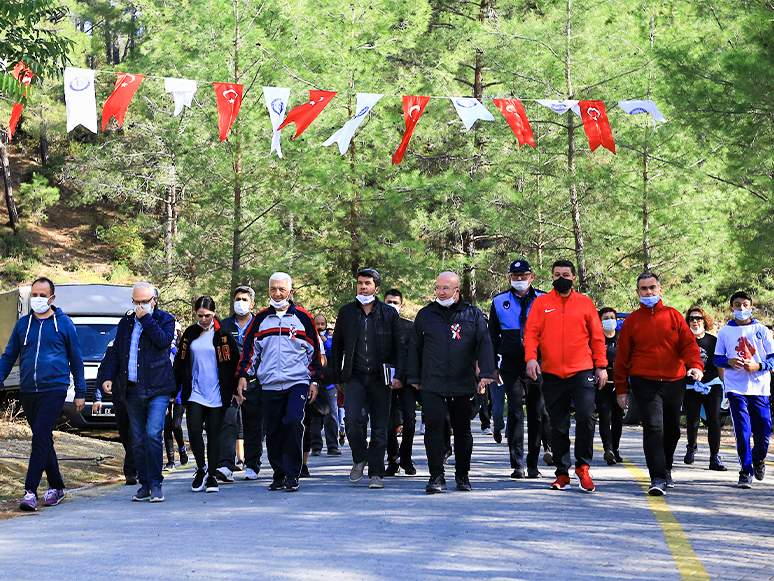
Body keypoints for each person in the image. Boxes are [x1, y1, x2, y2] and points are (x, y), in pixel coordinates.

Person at [0, 278, 85, 512]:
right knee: (43, 438)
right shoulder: (23, 324)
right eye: (34, 294)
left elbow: (76, 359)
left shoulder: (64, 324)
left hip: (54, 389)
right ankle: (57, 486)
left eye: (41, 295)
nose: (37, 299)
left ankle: (29, 491)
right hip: (28, 390)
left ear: (52, 298)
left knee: (39, 438)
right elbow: (9, 356)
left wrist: (80, 392)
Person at [614, 273, 703, 496]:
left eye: (652, 287)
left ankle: (667, 466)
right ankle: (657, 476)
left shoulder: (673, 316)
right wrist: (622, 390)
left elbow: (689, 346)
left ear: (660, 290)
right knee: (653, 427)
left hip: (674, 382)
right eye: (643, 289)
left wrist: (696, 366)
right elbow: (622, 359)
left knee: (672, 429)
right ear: (638, 293)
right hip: (645, 382)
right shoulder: (632, 321)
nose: (648, 292)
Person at [523, 260, 607, 493]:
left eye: (566, 274)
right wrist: (531, 358)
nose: (561, 278)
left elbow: (597, 336)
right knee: (558, 425)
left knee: (585, 417)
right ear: (551, 277)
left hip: (582, 371)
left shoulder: (585, 303)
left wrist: (601, 365)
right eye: (557, 274)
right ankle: (562, 472)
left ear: (574, 278)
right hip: (551, 373)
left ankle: (583, 467)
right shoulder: (541, 303)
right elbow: (531, 334)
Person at [408, 272, 495, 493]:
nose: (441, 292)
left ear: (457, 291)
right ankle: (436, 476)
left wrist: (486, 373)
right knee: (434, 430)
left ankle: (462, 475)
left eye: (446, 288)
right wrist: (415, 378)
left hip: (462, 383)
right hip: (432, 383)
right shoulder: (425, 315)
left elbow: (485, 344)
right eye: (438, 287)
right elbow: (414, 348)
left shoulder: (472, 314)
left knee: (463, 430)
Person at [237, 272, 322, 492]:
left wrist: (314, 381)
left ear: (290, 292)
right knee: (273, 430)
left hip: (297, 382)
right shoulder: (260, 320)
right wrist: (243, 376)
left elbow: (314, 354)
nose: (277, 293)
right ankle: (279, 473)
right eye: (273, 289)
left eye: (282, 289)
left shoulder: (303, 318)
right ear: (268, 291)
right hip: (269, 384)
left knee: (293, 421)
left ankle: (293, 474)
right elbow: (250, 352)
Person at [98, 281, 176, 503]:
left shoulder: (165, 319)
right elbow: (116, 353)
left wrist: (146, 319)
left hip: (158, 389)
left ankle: (156, 483)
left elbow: (163, 342)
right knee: (138, 440)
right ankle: (144, 484)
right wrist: (107, 377)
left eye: (144, 301)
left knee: (153, 434)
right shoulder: (125, 323)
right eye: (136, 302)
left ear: (154, 300)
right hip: (131, 390)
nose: (140, 306)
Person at [330, 268, 405, 489]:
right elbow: (337, 347)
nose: (363, 286)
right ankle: (359, 457)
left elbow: (400, 347)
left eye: (368, 283)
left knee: (381, 426)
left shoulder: (388, 313)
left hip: (381, 378)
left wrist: (400, 375)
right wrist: (336, 375)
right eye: (360, 283)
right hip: (355, 376)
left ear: (377, 288)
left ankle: (376, 473)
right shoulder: (346, 313)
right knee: (352, 421)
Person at [489, 259, 552, 479]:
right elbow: (492, 337)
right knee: (515, 411)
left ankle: (533, 464)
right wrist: (492, 367)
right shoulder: (499, 302)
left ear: (531, 277)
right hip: (511, 364)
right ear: (509, 278)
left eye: (523, 276)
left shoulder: (544, 299)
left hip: (538, 363)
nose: (519, 280)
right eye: (515, 276)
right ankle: (517, 463)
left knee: (537, 412)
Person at [174, 296, 239, 493]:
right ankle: (201, 468)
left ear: (214, 313)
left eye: (207, 315)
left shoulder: (223, 335)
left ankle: (212, 474)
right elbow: (180, 361)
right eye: (200, 315)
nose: (203, 319)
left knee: (214, 434)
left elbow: (234, 363)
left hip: (217, 392)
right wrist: (174, 389)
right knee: (193, 431)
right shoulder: (190, 334)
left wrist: (236, 390)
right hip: (195, 390)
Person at [714, 291, 773, 489]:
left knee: (763, 430)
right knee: (742, 431)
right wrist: (728, 361)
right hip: (735, 388)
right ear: (732, 308)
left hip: (759, 387)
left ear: (751, 307)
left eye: (745, 304)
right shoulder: (724, 332)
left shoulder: (762, 330)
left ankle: (758, 459)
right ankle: (745, 471)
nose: (741, 309)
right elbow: (717, 359)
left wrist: (758, 366)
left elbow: (772, 358)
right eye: (737, 305)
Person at [217, 286, 263, 482]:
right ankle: (226, 465)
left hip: (255, 382)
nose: (241, 303)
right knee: (228, 423)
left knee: (254, 425)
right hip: (229, 384)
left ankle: (253, 464)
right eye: (238, 299)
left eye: (245, 299)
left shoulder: (261, 324)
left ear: (252, 304)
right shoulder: (224, 326)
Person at [683, 306, 726, 471]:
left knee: (714, 420)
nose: (695, 321)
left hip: (712, 384)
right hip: (691, 385)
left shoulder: (713, 341)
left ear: (704, 321)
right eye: (692, 319)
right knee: (692, 420)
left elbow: (720, 364)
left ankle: (714, 457)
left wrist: (726, 386)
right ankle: (691, 447)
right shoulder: (683, 340)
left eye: (699, 318)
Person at [384, 289, 419, 476]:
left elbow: (415, 354)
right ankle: (393, 458)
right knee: (387, 422)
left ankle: (406, 458)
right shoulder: (378, 327)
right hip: (384, 381)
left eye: (395, 302)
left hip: (407, 381)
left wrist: (415, 379)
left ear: (401, 305)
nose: (392, 305)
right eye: (388, 301)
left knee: (410, 421)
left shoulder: (410, 327)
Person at [95, 344, 139, 483]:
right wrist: (97, 397)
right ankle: (135, 463)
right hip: (120, 396)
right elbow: (104, 371)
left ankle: (131, 471)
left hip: (138, 396)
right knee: (125, 433)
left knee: (134, 432)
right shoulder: (114, 345)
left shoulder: (144, 342)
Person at [309, 314, 341, 457]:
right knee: (315, 415)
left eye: (322, 324)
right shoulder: (309, 338)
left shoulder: (330, 340)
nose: (320, 327)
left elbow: (334, 351)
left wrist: (325, 341)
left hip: (330, 384)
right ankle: (316, 446)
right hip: (315, 383)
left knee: (332, 415)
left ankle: (332, 445)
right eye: (317, 324)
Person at [596, 307, 623, 466]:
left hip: (619, 383)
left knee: (618, 418)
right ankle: (608, 448)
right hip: (602, 384)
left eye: (612, 317)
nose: (609, 321)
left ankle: (616, 448)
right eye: (605, 318)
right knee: (605, 416)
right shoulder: (597, 339)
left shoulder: (622, 338)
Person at [163, 322, 188, 471]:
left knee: (175, 425)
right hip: (165, 390)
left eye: (175, 332)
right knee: (166, 426)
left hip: (179, 392)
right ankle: (170, 460)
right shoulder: (162, 347)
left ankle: (182, 448)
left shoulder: (181, 349)